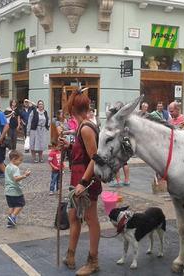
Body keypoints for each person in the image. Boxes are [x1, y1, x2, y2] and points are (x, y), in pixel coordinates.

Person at [59, 88, 101, 275]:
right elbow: (83, 153)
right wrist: (69, 146)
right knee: (73, 216)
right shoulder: (82, 126)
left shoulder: (85, 128)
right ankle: (70, 255)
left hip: (86, 180)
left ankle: (93, 262)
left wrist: (83, 183)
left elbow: (95, 158)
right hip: (78, 178)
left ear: (72, 108)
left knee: (91, 219)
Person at [5, 150, 31, 228]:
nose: (21, 162)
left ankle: (10, 222)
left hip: (8, 191)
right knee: (21, 204)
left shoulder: (7, 166)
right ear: (14, 159)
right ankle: (12, 217)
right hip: (15, 190)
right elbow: (16, 178)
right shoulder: (15, 168)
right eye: (20, 160)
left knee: (11, 206)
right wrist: (25, 175)